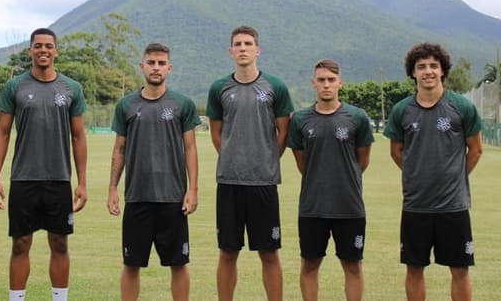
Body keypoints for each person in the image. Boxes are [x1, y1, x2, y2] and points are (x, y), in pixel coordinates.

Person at [0, 28, 88, 301]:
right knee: (21, 243)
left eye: (48, 46)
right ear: (30, 50)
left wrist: (82, 182)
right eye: (38, 46)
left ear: (56, 51)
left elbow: (78, 136)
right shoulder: (15, 86)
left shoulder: (71, 88)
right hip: (23, 178)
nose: (43, 50)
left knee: (59, 242)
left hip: (58, 179)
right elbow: (3, 133)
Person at [383, 42, 483, 301]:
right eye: (421, 67)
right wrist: (417, 174)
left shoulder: (462, 107)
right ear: (413, 73)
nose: (428, 71)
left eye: (433, 66)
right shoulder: (401, 110)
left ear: (442, 71)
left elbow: (475, 150)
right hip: (416, 205)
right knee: (414, 268)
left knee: (460, 269)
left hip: (453, 206)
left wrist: (455, 177)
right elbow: (396, 151)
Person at [206, 25, 294, 301]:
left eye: (248, 43)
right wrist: (234, 157)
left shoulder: (275, 87)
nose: (243, 48)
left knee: (269, 252)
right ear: (231, 51)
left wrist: (265, 158)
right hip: (230, 182)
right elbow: (217, 134)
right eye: (237, 44)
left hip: (263, 182)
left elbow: (283, 132)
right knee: (228, 251)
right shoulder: (219, 87)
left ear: (258, 50)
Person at [107, 43, 200, 301]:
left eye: (161, 63)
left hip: (173, 198)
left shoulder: (183, 104)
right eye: (151, 62)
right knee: (131, 263)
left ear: (169, 68)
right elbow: (119, 149)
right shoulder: (126, 105)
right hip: (137, 197)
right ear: (142, 66)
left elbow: (190, 148)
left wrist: (192, 189)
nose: (156, 68)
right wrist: (113, 188)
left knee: (178, 263)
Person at [287, 59, 374, 301]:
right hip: (312, 207)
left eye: (331, 80)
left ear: (340, 83)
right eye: (322, 80)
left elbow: (362, 161)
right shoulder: (300, 119)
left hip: (349, 207)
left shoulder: (357, 117)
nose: (326, 85)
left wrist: (345, 178)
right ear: (313, 83)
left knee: (353, 266)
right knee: (309, 265)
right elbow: (302, 162)